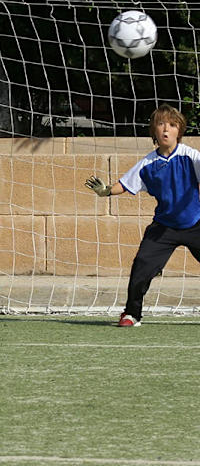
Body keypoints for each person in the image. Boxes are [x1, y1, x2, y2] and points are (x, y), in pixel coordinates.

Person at [85, 103, 200, 327]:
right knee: (141, 268)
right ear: (154, 131)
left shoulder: (191, 157)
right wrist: (106, 191)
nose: (166, 129)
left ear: (180, 130)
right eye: (161, 124)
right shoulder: (148, 163)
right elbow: (125, 184)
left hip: (195, 223)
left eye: (172, 125)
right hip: (163, 228)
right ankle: (131, 314)